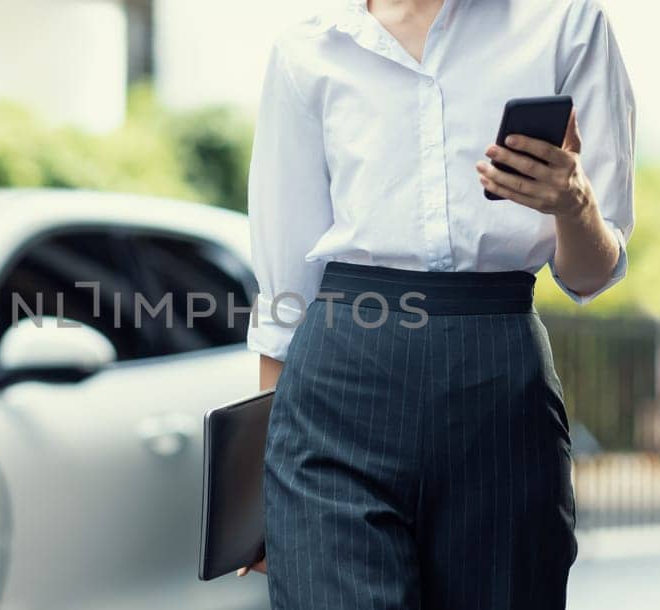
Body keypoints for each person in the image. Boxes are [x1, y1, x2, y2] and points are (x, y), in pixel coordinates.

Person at [239, 0, 636, 608]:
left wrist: (574, 201)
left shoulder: (566, 23)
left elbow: (591, 276)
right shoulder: (308, 48)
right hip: (334, 389)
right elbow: (285, 292)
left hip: (499, 390)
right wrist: (254, 492)